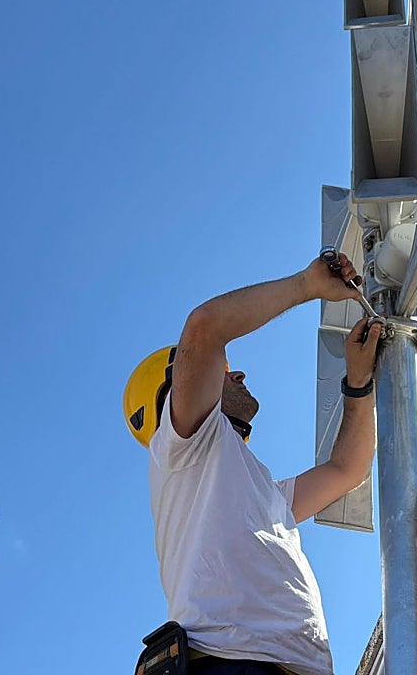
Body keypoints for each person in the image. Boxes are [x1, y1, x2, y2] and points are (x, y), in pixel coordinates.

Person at [123, 254, 381, 675]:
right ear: (173, 391)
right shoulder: (180, 446)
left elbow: (347, 470)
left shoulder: (260, 491)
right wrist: (307, 285)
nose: (238, 374)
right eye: (221, 371)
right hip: (230, 664)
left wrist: (358, 382)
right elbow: (205, 327)